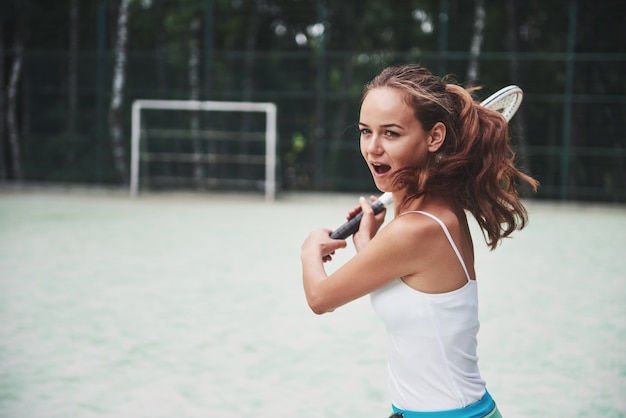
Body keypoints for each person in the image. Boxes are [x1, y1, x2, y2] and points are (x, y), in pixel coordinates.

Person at [300, 64, 538, 418]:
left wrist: (309, 250)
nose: (373, 148)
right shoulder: (435, 211)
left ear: (434, 137)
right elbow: (406, 282)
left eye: (391, 134)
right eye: (366, 132)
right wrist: (367, 239)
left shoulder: (418, 228)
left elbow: (320, 299)